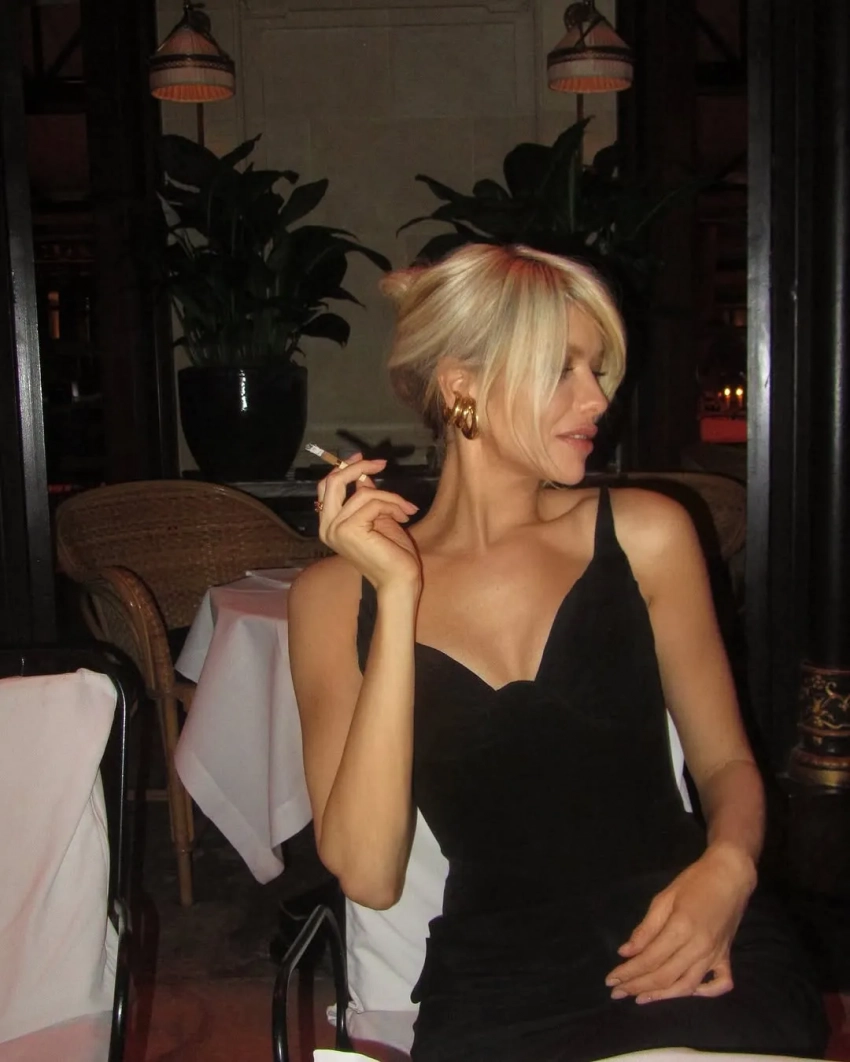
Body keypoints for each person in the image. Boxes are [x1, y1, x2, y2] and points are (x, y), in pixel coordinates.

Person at [288, 243, 826, 1062]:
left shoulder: (645, 535)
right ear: (462, 386)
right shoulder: (333, 599)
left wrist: (728, 869)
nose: (598, 398)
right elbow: (369, 875)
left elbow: (726, 765)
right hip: (498, 982)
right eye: (563, 369)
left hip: (687, 930)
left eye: (598, 369)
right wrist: (396, 597)